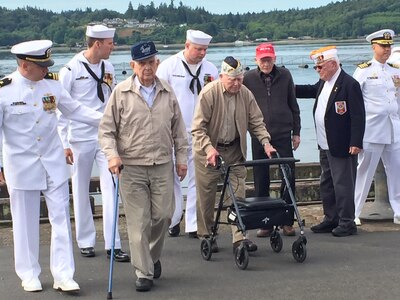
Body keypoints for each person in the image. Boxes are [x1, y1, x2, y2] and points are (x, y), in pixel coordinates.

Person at [0, 40, 104, 292]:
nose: (46, 69)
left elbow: (76, 110)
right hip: (21, 165)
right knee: (24, 222)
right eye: (41, 66)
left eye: (47, 65)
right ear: (25, 65)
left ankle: (63, 274)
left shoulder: (53, 85)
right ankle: (29, 273)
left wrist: (108, 120)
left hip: (53, 163)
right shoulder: (4, 90)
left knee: (60, 219)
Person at [98, 41, 188, 292]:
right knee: (138, 222)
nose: (148, 68)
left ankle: (151, 256)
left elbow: (179, 131)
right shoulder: (120, 93)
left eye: (151, 62)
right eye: (142, 63)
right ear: (132, 66)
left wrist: (181, 159)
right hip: (132, 167)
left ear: (157, 63)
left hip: (161, 164)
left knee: (163, 216)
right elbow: (106, 131)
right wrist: (112, 156)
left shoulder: (168, 92)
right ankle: (144, 272)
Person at [57, 24, 129, 261]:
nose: (113, 47)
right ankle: (86, 240)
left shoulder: (108, 67)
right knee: (79, 188)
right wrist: (64, 142)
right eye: (110, 43)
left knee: (112, 187)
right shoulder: (70, 69)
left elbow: (111, 97)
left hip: (105, 136)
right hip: (79, 137)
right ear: (97, 44)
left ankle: (113, 243)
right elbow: (61, 109)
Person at [191, 56, 276, 253]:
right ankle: (207, 235)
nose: (237, 83)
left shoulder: (245, 94)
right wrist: (209, 149)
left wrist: (266, 142)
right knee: (207, 198)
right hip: (208, 150)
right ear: (221, 77)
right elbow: (198, 129)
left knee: (238, 196)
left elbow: (256, 121)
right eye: (233, 79)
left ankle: (239, 237)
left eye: (240, 79)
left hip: (235, 151)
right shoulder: (209, 93)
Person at [295, 46, 365, 237]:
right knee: (326, 183)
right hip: (325, 144)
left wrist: (356, 142)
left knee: (343, 184)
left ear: (333, 64)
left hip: (342, 144)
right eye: (316, 68)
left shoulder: (349, 84)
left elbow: (358, 116)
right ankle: (331, 218)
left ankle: (347, 222)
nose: (317, 70)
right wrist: (286, 88)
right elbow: (308, 90)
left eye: (320, 67)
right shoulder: (323, 83)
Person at [156, 29, 218, 238]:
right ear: (187, 46)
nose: (202, 53)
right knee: (171, 176)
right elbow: (156, 97)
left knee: (197, 178)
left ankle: (192, 223)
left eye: (205, 49)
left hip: (201, 132)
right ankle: (174, 218)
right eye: (198, 49)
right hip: (173, 131)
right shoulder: (168, 66)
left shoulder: (210, 69)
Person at [243, 43, 300, 238]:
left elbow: (293, 104)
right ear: (256, 60)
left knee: (288, 176)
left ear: (274, 58)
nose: (266, 63)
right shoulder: (248, 78)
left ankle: (287, 221)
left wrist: (297, 132)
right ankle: (265, 222)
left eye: (269, 59)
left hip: (283, 133)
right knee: (261, 179)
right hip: (259, 135)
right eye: (262, 60)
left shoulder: (285, 75)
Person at [352, 29, 400, 225]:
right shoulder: (363, 70)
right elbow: (354, 101)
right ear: (374, 47)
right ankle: (353, 212)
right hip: (371, 129)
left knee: (396, 171)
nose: (387, 50)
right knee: (364, 172)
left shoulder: (395, 70)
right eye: (383, 46)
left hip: (393, 128)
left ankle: (398, 211)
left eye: (389, 46)